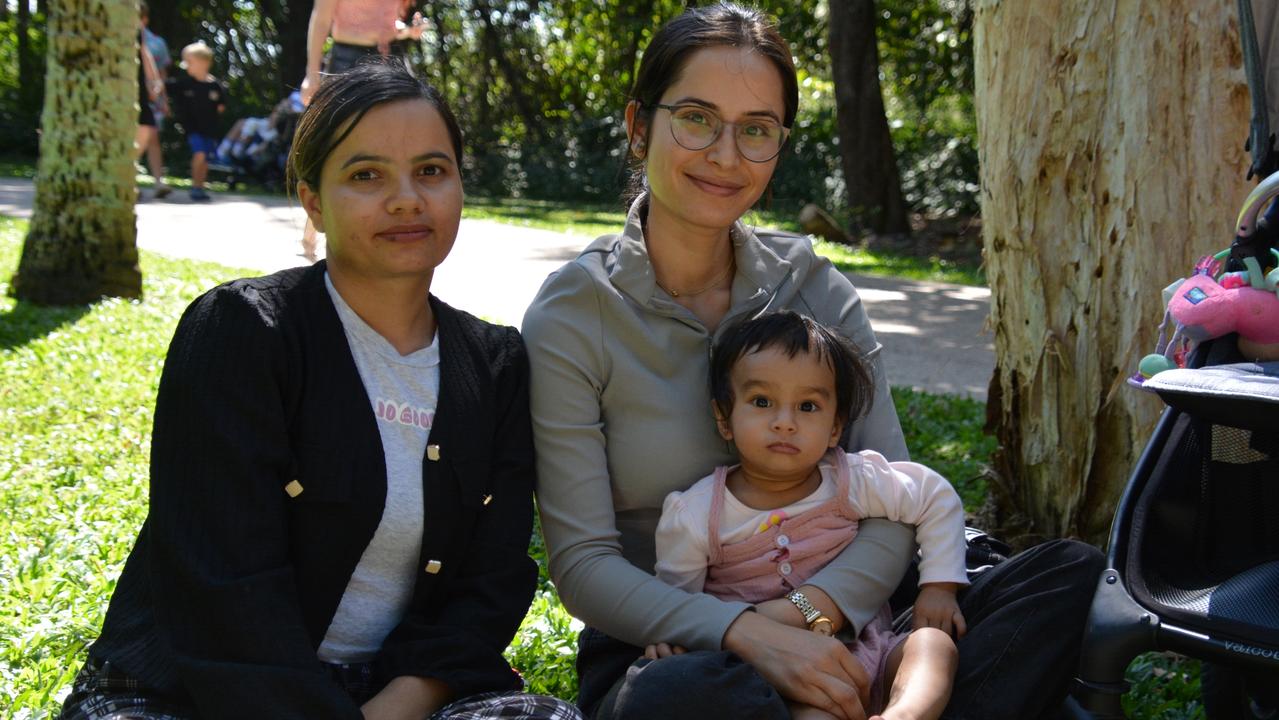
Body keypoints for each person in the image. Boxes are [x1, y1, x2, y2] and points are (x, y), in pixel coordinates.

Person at [520, 4, 1105, 720]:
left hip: (856, 610)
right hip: (678, 640)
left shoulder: (813, 287)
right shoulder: (574, 314)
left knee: (1064, 575)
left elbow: (892, 499)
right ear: (639, 125)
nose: (726, 155)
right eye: (697, 118)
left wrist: (805, 615)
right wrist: (745, 636)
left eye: (756, 130)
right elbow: (582, 566)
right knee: (673, 701)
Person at [58, 61, 581, 720]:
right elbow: (221, 584)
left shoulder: (497, 362)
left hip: (387, 692)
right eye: (365, 176)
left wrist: (399, 702)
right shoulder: (244, 330)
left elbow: (492, 577)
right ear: (312, 201)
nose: (405, 200)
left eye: (431, 171)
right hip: (195, 690)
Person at [653, 311, 966, 720]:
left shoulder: (849, 481)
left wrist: (940, 586)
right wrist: (670, 641)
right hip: (783, 678)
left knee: (932, 646)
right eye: (762, 402)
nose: (785, 423)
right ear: (724, 418)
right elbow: (680, 603)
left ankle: (903, 714)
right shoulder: (697, 514)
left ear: (835, 429)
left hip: (873, 650)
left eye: (807, 406)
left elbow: (932, 494)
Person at [298, 0, 427, 261]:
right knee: (336, 144)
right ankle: (314, 223)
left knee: (398, 145)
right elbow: (321, 19)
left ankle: (384, 230)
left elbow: (386, 24)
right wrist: (312, 73)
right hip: (347, 58)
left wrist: (407, 32)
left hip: (389, 57)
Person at [166, 41, 227, 202]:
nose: (186, 66)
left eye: (189, 62)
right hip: (193, 128)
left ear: (204, 63)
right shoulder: (184, 83)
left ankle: (200, 186)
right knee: (199, 153)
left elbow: (221, 106)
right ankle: (195, 186)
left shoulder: (215, 85)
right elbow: (166, 88)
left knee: (206, 158)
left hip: (210, 129)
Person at [138, 1, 172, 199]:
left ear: (145, 19)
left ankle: (159, 181)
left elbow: (161, 72)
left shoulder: (156, 43)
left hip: (150, 98)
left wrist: (163, 99)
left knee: (152, 137)